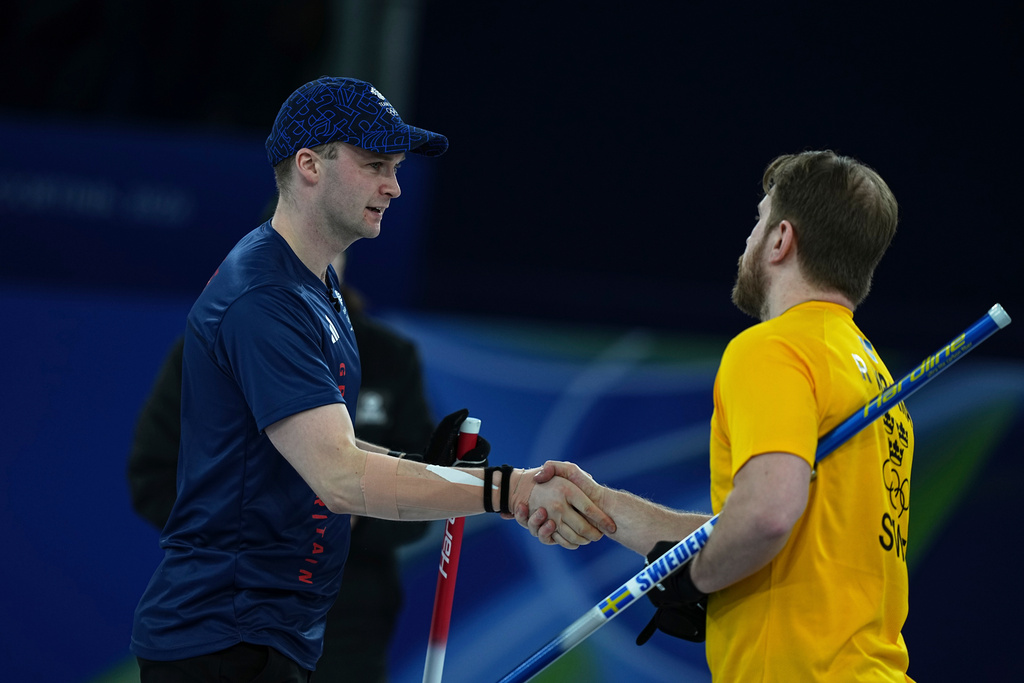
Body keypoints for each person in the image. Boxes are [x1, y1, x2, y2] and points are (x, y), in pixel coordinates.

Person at [129, 75, 616, 682]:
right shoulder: (264, 299)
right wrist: (506, 490)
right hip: (225, 642)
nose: (394, 186)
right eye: (374, 165)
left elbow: (333, 447)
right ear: (309, 165)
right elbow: (340, 478)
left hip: (271, 635)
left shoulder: (315, 288)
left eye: (396, 168)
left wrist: (452, 476)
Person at [522, 150, 914, 681]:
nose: (749, 238)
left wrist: (697, 580)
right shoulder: (873, 378)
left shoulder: (775, 348)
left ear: (781, 239)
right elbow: (762, 530)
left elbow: (767, 516)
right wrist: (606, 506)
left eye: (759, 219)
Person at [127, 251, 435, 683]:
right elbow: (153, 475)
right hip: (223, 612)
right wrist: (256, 520)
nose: (316, 260)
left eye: (333, 249)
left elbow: (418, 494)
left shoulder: (389, 356)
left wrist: (357, 509)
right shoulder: (210, 343)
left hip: (347, 617)